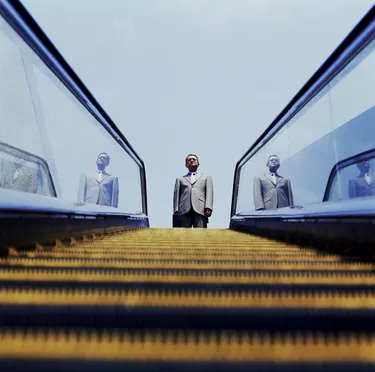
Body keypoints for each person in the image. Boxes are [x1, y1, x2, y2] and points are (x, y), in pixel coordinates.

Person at [173, 154, 213, 228]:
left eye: (194, 159)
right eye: (189, 160)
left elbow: (209, 193)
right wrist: (176, 210)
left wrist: (208, 207)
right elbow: (176, 195)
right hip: (184, 210)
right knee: (184, 234)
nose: (191, 161)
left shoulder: (206, 177)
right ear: (186, 165)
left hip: (200, 209)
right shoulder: (180, 179)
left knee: (200, 233)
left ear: (198, 163)